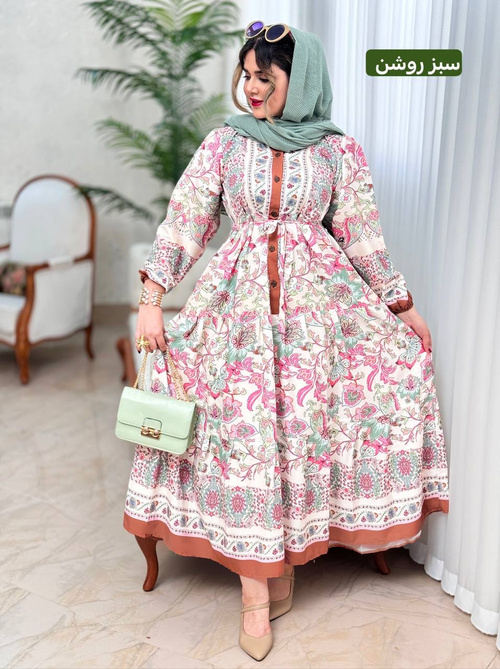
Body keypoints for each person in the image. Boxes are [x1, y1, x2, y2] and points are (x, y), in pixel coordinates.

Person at [124, 21, 449, 661]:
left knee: (301, 433)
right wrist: (151, 299)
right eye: (245, 76)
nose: (251, 89)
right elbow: (186, 220)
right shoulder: (224, 143)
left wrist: (403, 308)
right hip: (237, 315)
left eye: (265, 78)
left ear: (300, 83)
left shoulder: (337, 151)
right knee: (244, 439)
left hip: (317, 319)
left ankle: (284, 560)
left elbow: (362, 237)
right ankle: (255, 593)